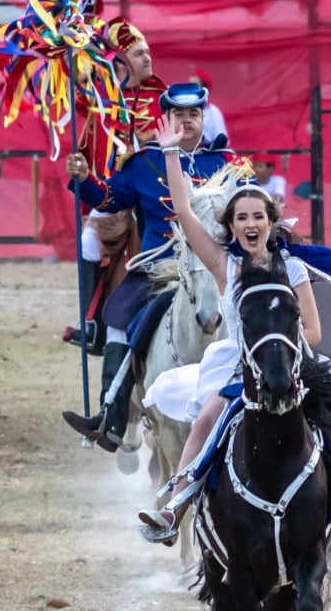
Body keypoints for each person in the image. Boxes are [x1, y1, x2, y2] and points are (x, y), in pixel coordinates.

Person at [135, 113, 331, 553]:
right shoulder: (225, 266)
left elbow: (313, 331)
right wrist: (170, 152)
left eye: (257, 216)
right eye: (241, 217)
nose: (250, 223)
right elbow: (183, 211)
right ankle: (175, 507)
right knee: (206, 421)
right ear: (231, 225)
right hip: (237, 366)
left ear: (270, 222)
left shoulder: (294, 268)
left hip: (292, 363)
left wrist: (281, 345)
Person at [63, 82, 232, 452]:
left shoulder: (226, 162)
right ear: (165, 120)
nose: (186, 121)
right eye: (178, 115)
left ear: (203, 118)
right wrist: (84, 178)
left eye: (193, 114)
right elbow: (108, 199)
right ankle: (112, 415)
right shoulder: (143, 164)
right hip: (159, 267)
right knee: (119, 318)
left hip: (216, 267)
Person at [67, 17, 167, 352]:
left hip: (153, 194)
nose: (147, 58)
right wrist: (72, 46)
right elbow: (73, 88)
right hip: (112, 194)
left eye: (148, 52)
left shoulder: (162, 96)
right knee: (87, 242)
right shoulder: (101, 97)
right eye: (139, 54)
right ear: (121, 62)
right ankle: (90, 322)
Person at [190, 68, 228, 145]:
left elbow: (221, 139)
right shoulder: (182, 110)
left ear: (204, 89)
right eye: (189, 85)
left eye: (195, 86)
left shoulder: (213, 111)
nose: (191, 89)